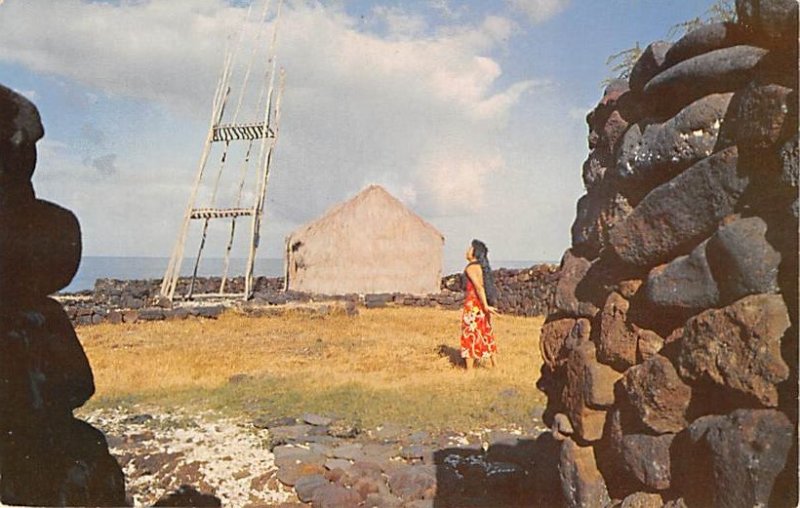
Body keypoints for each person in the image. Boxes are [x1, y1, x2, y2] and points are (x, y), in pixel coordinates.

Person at [460, 239, 500, 370]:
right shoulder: (481, 267)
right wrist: (486, 305)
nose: (467, 250)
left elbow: (479, 287)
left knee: (469, 334)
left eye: (470, 248)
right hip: (480, 305)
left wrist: (485, 305)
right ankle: (495, 366)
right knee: (486, 332)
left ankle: (470, 370)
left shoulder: (471, 268)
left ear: (475, 252)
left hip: (474, 305)